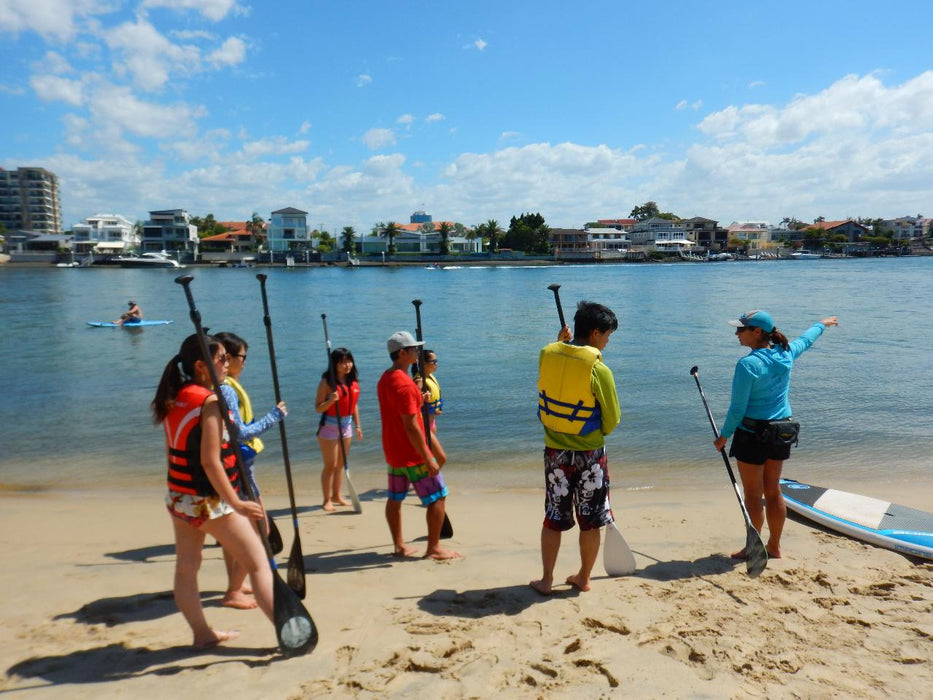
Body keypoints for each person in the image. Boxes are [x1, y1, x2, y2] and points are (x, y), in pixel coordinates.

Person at [151, 333, 273, 650]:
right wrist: (237, 503)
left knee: (186, 567)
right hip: (208, 501)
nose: (227, 364)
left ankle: (202, 634)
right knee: (258, 561)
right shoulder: (209, 401)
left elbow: (170, 449)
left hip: (179, 497)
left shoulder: (174, 396)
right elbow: (210, 460)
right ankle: (289, 631)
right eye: (221, 359)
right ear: (201, 366)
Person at [713, 310, 838, 560]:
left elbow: (738, 408)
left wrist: (724, 435)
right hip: (781, 432)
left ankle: (754, 547)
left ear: (757, 332)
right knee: (773, 490)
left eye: (741, 329)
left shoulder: (748, 364)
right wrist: (821, 324)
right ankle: (774, 546)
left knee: (752, 494)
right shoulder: (786, 352)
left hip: (752, 434)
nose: (736, 333)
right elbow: (807, 339)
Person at [531, 301, 621, 595]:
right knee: (591, 520)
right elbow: (612, 419)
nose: (608, 341)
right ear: (595, 333)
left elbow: (555, 367)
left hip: (555, 454)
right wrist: (595, 435)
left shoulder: (547, 353)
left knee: (553, 517)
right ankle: (583, 577)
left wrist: (561, 343)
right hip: (591, 456)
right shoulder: (599, 369)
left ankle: (546, 579)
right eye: (607, 335)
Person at [215, 331, 287, 609]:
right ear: (228, 359)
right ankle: (234, 590)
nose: (246, 362)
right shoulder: (226, 389)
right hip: (239, 465)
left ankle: (235, 584)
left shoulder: (222, 385)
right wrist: (274, 417)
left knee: (235, 529)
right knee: (259, 526)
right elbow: (239, 433)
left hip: (232, 465)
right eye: (243, 357)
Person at [377, 331, 461, 560]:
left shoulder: (386, 378)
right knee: (438, 497)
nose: (417, 352)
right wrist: (427, 457)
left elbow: (400, 409)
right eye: (413, 349)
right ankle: (433, 548)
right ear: (402, 353)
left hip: (393, 451)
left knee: (395, 498)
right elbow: (412, 426)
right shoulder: (404, 384)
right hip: (413, 453)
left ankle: (399, 546)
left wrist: (417, 397)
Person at [314, 346, 363, 512]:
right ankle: (326, 499)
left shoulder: (352, 382)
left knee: (340, 464)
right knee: (330, 465)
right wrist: (330, 401)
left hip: (347, 425)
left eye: (349, 361)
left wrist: (358, 426)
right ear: (334, 364)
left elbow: (354, 405)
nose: (347, 365)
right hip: (329, 427)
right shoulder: (326, 382)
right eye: (342, 362)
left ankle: (337, 495)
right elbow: (318, 408)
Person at [411, 348, 446, 466]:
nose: (436, 364)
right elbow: (413, 404)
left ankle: (430, 474)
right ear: (424, 364)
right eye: (433, 361)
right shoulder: (419, 380)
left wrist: (436, 409)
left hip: (431, 420)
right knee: (431, 452)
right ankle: (429, 475)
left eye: (437, 361)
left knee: (432, 451)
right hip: (423, 422)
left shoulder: (429, 376)